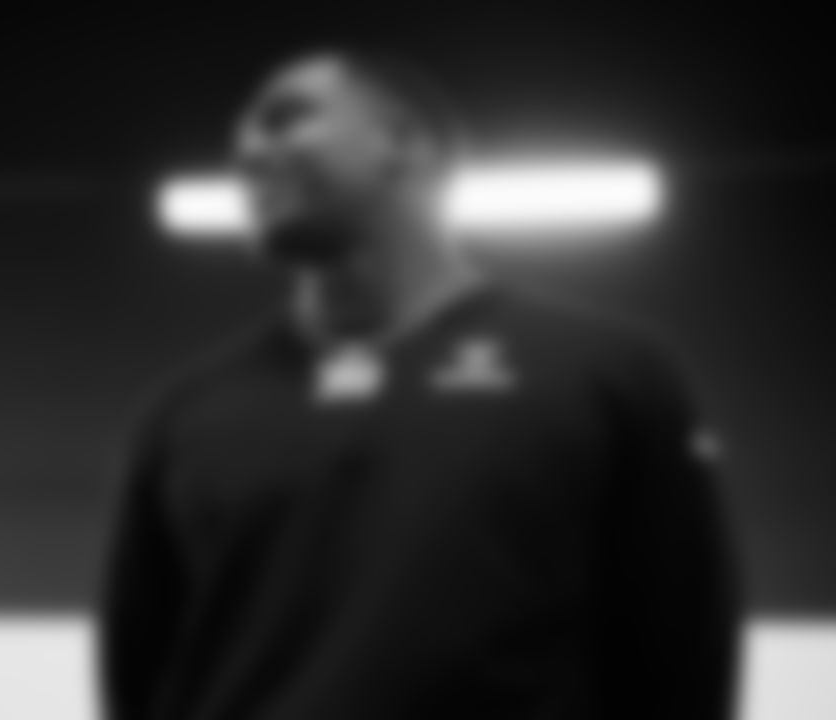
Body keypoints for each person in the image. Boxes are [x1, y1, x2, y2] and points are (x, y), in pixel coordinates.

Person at [96, 44, 742, 720]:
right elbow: (141, 682)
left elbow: (681, 661)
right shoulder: (185, 414)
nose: (250, 152)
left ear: (401, 143)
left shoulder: (605, 374)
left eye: (285, 118)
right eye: (244, 137)